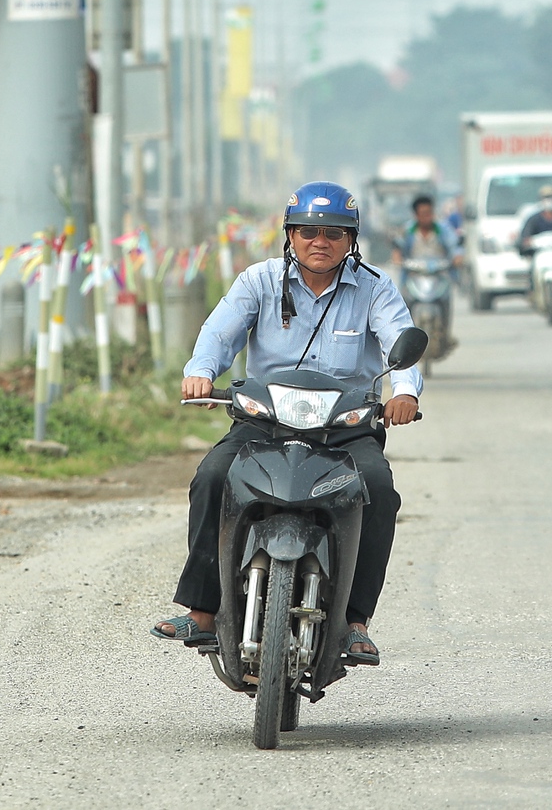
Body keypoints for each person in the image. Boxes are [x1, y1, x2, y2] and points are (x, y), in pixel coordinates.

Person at [152, 181, 421, 666]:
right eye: (309, 231)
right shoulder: (257, 281)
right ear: (290, 235)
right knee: (213, 477)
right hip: (265, 421)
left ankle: (355, 622)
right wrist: (200, 371)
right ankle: (202, 609)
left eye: (334, 233)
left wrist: (404, 391)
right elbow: (220, 331)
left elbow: (398, 338)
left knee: (378, 487)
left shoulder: (376, 288)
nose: (321, 242)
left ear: (352, 241)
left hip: (345, 426)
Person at [393, 194, 463, 352]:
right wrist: (397, 258)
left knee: (446, 300)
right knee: (404, 304)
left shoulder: (443, 229)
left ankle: (446, 334)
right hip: (414, 276)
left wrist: (458, 257)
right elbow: (397, 247)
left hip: (439, 276)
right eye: (422, 214)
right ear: (416, 215)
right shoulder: (407, 230)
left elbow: (455, 247)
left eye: (429, 213)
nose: (426, 217)